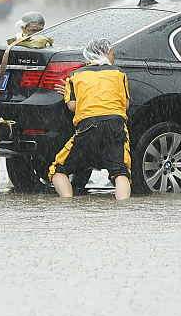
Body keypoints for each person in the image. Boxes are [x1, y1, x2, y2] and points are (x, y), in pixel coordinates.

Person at [49, 38, 132, 200]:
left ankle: (68, 205)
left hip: (88, 127)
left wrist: (68, 94)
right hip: (116, 126)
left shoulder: (75, 76)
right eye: (112, 53)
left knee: (58, 170)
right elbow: (126, 104)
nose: (113, 57)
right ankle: (124, 211)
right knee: (120, 172)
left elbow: (73, 107)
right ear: (103, 54)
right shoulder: (119, 73)